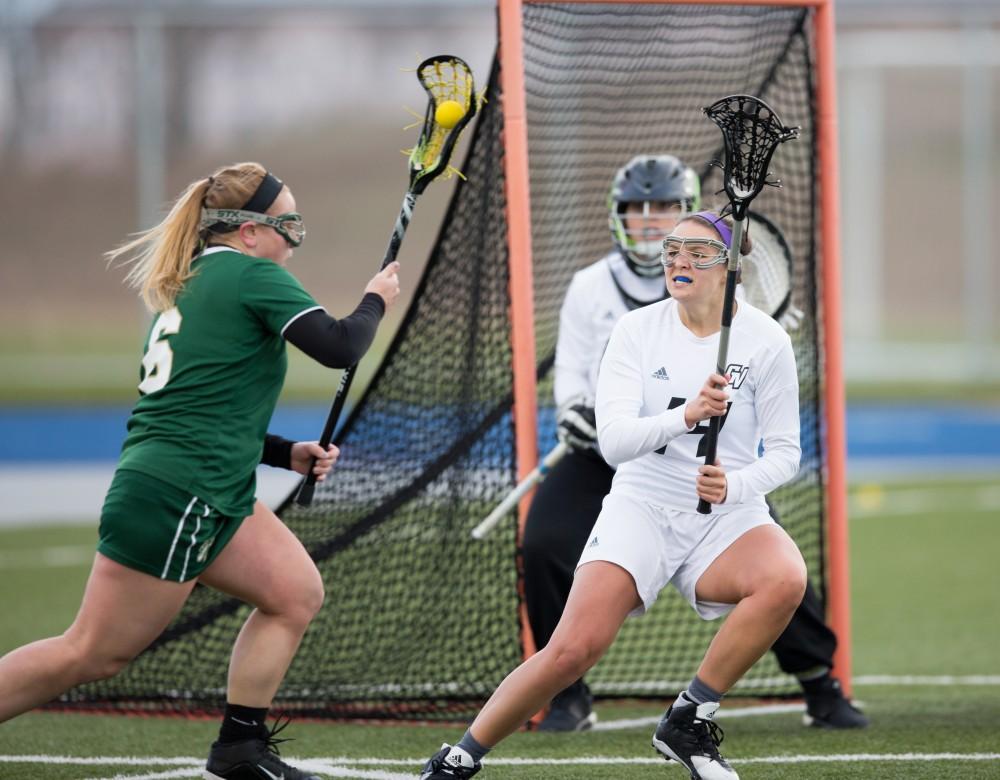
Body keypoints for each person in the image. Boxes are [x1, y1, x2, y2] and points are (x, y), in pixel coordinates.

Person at [0, 162, 401, 780]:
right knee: (92, 652)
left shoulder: (193, 282)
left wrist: (283, 452)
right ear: (245, 232)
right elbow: (341, 345)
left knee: (295, 593)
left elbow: (202, 403)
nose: (294, 237)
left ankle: (240, 749)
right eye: (285, 223)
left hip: (206, 486)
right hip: (180, 492)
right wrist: (377, 298)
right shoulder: (251, 276)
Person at [421, 210, 813, 780]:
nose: (679, 261)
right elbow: (615, 441)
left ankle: (689, 717)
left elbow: (785, 451)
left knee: (785, 576)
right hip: (642, 504)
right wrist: (688, 415)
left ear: (730, 268)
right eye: (673, 250)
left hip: (725, 511)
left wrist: (736, 484)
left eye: (697, 253)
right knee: (571, 651)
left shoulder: (766, 340)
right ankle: (459, 758)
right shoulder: (636, 330)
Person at [522, 155, 866, 732]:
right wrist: (581, 415)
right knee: (544, 542)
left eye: (665, 209)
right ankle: (568, 694)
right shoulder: (591, 288)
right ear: (619, 216)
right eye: (638, 209)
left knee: (772, 555)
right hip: (615, 453)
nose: (652, 221)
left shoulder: (720, 283)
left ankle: (818, 681)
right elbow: (574, 379)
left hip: (700, 454)